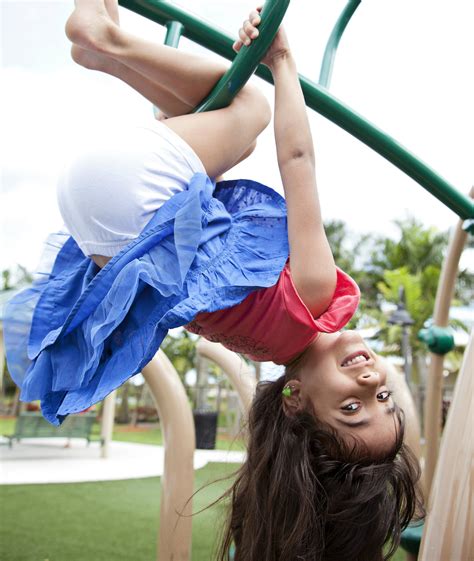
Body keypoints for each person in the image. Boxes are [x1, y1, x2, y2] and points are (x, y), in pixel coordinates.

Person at [4, 2, 423, 559]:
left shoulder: (313, 298)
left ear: (295, 401)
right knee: (233, 134)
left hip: (131, 192)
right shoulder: (253, 338)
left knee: (250, 107)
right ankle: (100, 48)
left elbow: (298, 162)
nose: (371, 383)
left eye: (352, 408)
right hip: (102, 221)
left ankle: (105, 39)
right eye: (385, 397)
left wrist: (282, 63)